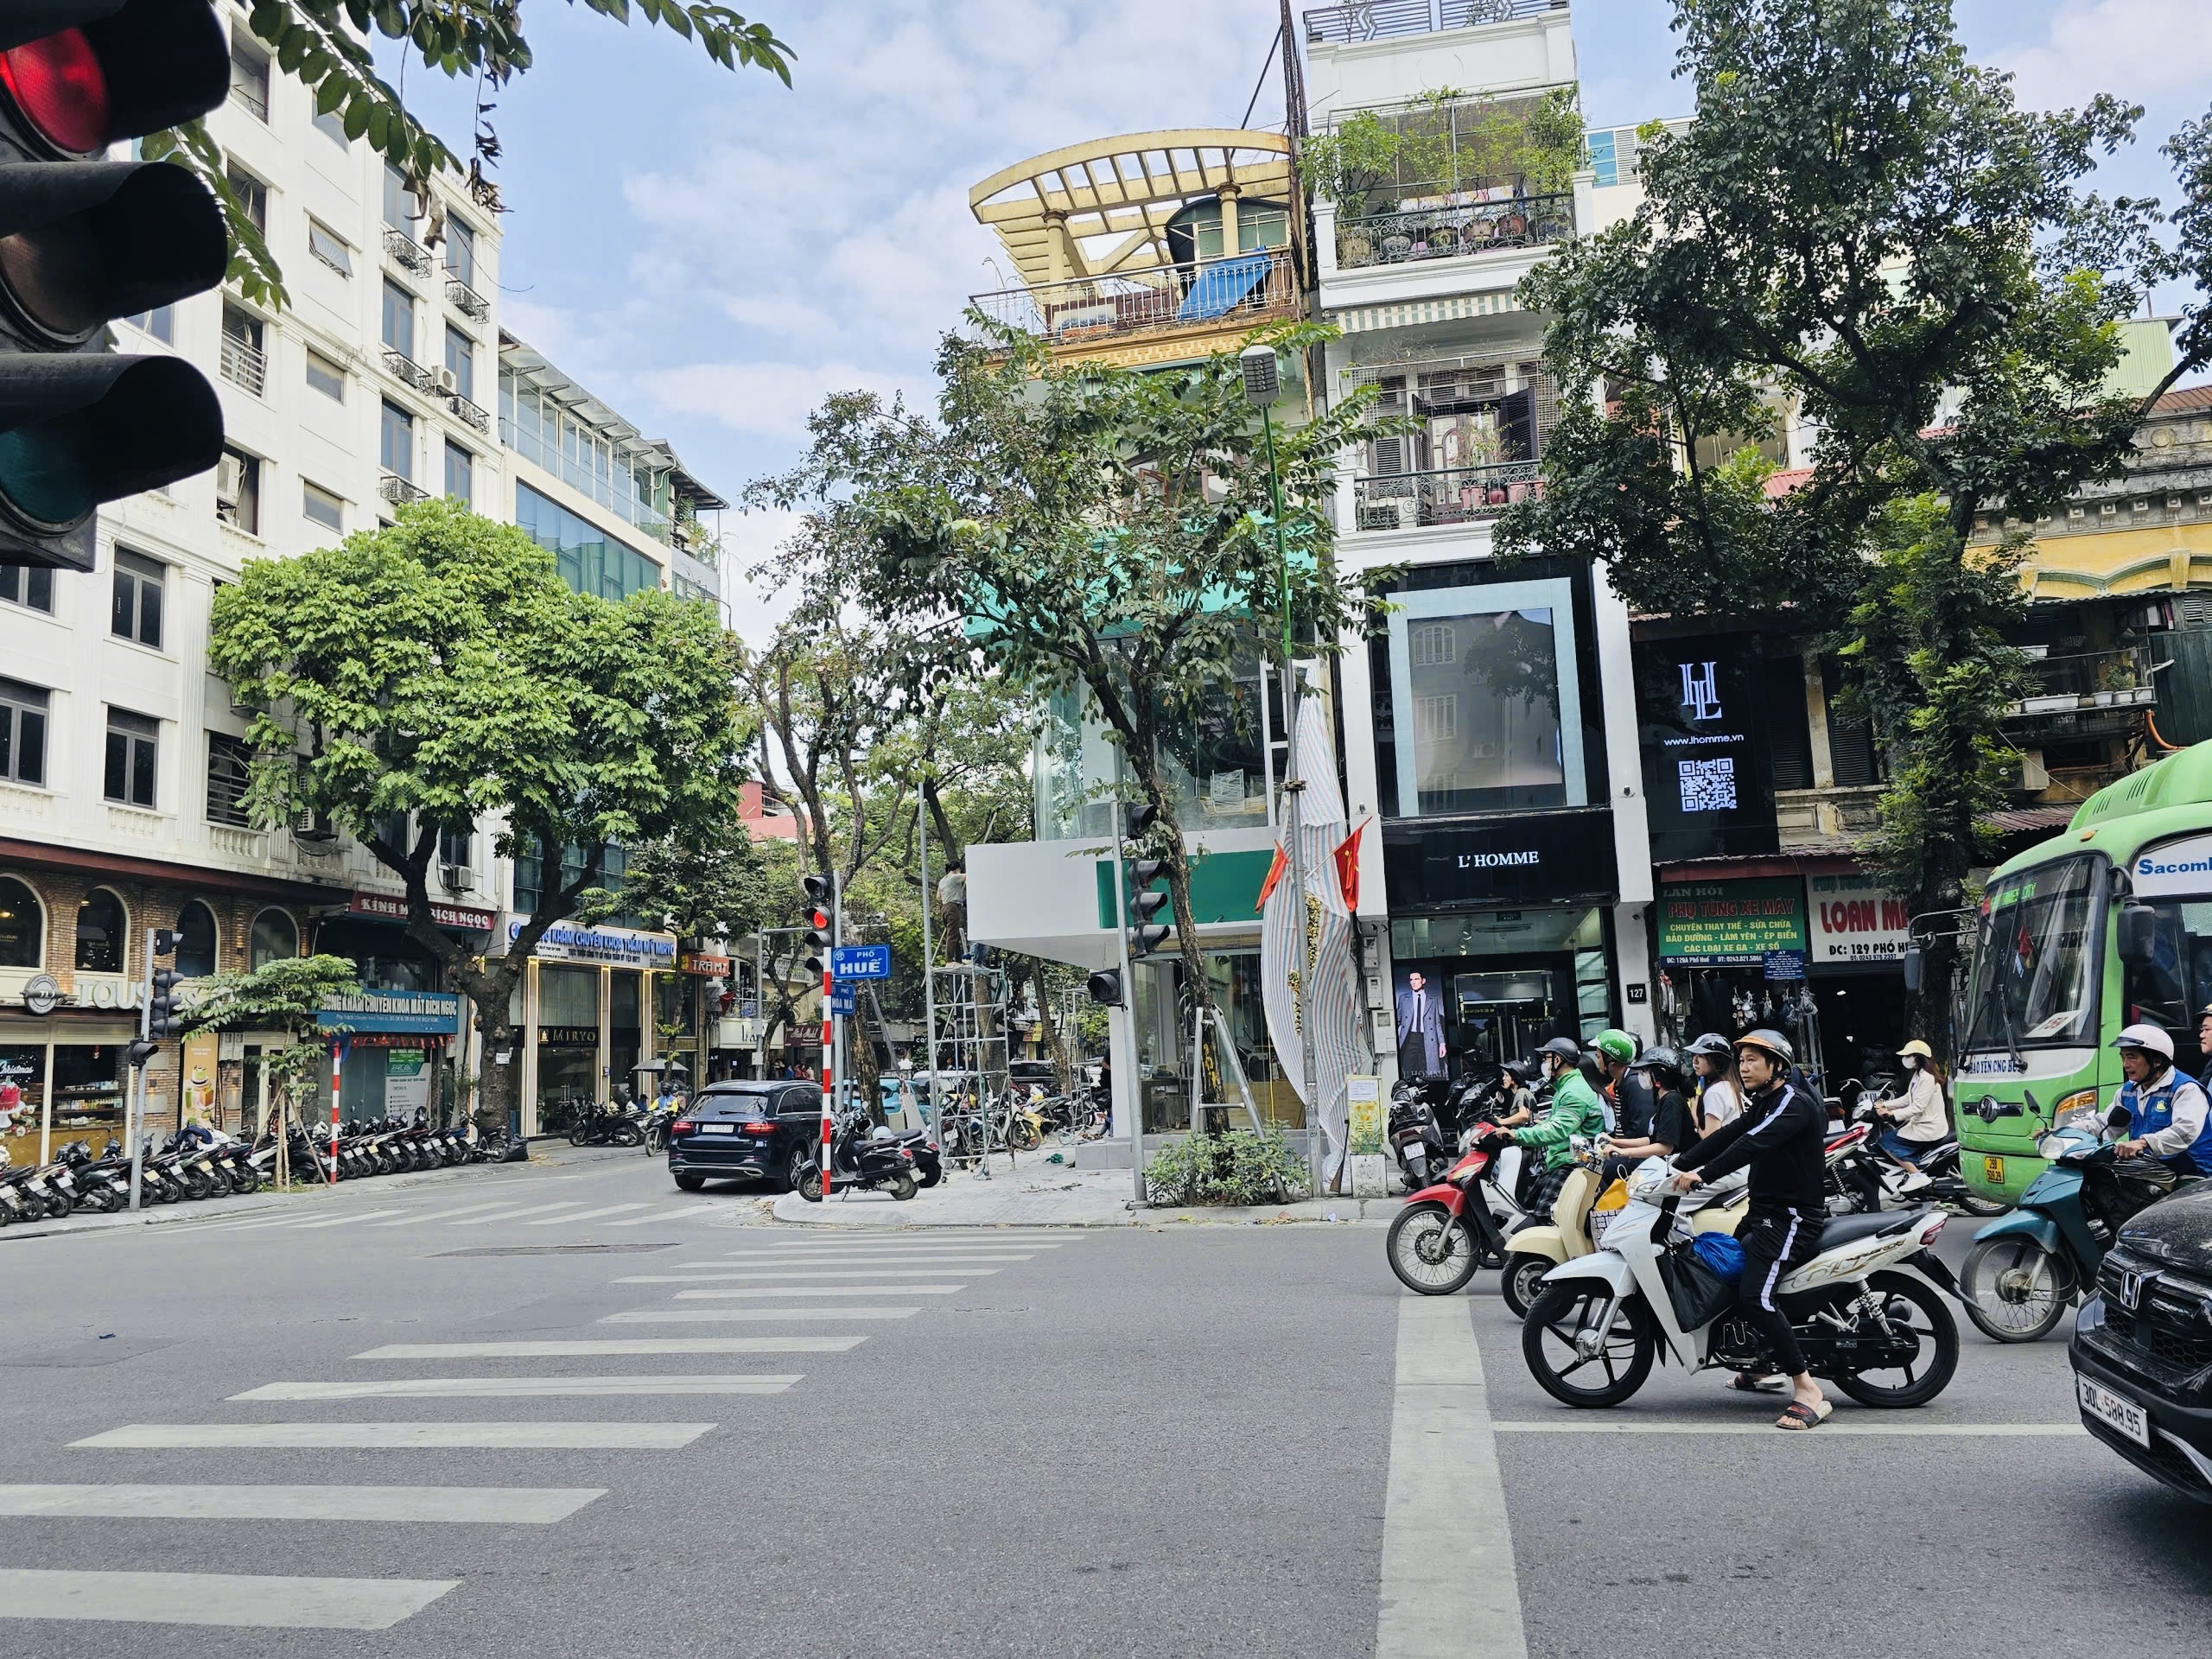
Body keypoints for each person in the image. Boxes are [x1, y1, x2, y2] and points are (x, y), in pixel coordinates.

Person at [1671, 1028, 1833, 1431]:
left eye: (1753, 1060)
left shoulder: (1792, 1103)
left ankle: (1807, 1388)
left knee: (1755, 1296)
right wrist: (1676, 1163)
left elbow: (1751, 1145)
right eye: (1741, 1060)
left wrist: (1701, 1175)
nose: (1744, 1067)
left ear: (1777, 1065)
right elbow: (1730, 1134)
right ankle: (1759, 1366)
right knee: (1729, 1280)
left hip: (1791, 1216)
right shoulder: (1764, 1102)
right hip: (1763, 1211)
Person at [1488, 1036, 1607, 1218]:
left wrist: (1516, 1134)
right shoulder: (1564, 1088)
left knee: (1544, 1215)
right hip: (1560, 1161)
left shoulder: (1574, 1092)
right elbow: (1551, 1122)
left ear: (1558, 1060)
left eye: (1546, 1059)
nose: (1544, 1064)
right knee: (1528, 1205)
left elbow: (1556, 1129)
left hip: (1573, 1164)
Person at [2111, 1022, 2212, 1178]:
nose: (2125, 1064)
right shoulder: (2127, 1091)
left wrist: (2143, 1143)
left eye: (2131, 1057)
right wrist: (2070, 1134)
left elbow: (2184, 1132)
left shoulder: (2186, 1089)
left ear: (2157, 1061)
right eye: (2123, 1057)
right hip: (2151, 1171)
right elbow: (2106, 1124)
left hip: (2192, 1176)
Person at [1599, 1046, 1697, 1176]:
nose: (1642, 1075)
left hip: (1674, 1172)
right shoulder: (1664, 1099)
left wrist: (1622, 1152)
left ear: (1660, 1073)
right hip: (1662, 1167)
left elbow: (1665, 1148)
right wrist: (1615, 1142)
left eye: (1645, 1070)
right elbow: (1651, 1139)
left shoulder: (1672, 1100)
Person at [1872, 1039, 1948, 1170]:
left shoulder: (1928, 1078)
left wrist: (1892, 1114)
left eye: (1908, 1056)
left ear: (1917, 1058)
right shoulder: (1918, 1074)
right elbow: (1908, 1098)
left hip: (1929, 1128)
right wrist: (1884, 1105)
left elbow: (1918, 1107)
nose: (1905, 1059)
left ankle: (1916, 1174)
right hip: (1919, 1125)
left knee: (1886, 1141)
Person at [1590, 1028, 1649, 1141]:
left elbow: (1639, 1129)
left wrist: (1617, 1145)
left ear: (1610, 1059)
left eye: (1598, 1057)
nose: (1598, 1062)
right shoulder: (1622, 1082)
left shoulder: (1634, 1083)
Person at [1686, 1033, 1742, 1135]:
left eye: (1701, 1056)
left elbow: (1710, 1141)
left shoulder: (1715, 1092)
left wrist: (1694, 1115)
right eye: (1694, 1055)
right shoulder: (1728, 1086)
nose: (1695, 1061)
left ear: (1717, 1060)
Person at [1395, 971, 1446, 1078]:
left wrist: (1442, 1043)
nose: (1413, 982)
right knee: (1408, 1070)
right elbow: (1397, 1020)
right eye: (1411, 980)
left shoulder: (1432, 1000)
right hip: (1410, 1038)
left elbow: (1437, 1023)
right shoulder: (1403, 999)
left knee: (1427, 1070)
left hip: (1427, 1038)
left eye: (1416, 979)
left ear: (1423, 981)